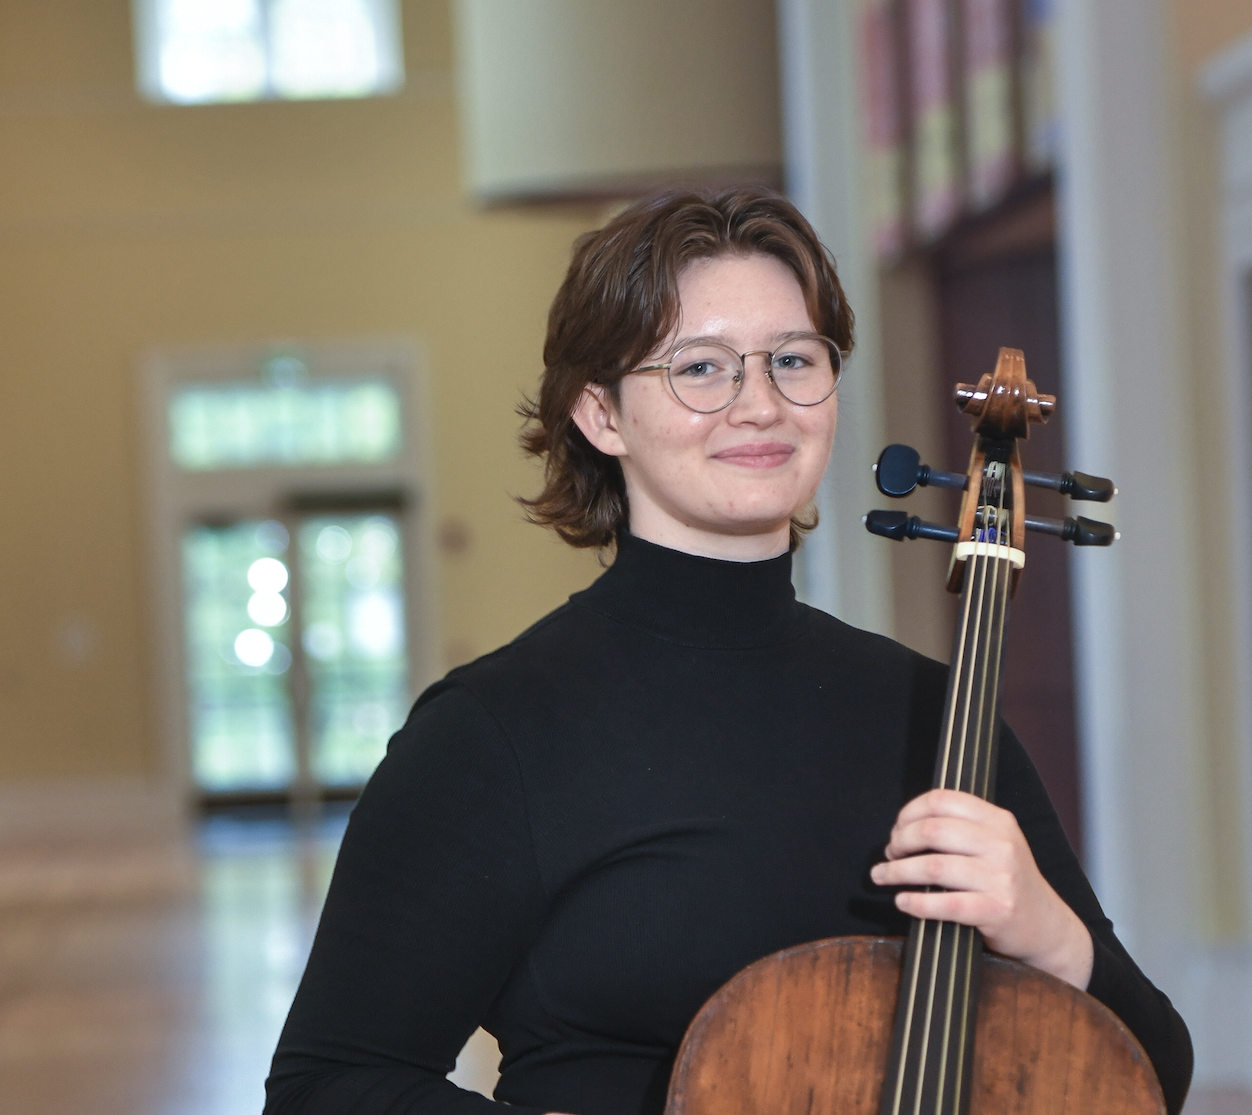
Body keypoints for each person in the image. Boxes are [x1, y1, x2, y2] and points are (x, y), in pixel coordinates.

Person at [264, 186, 1192, 1115]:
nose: (759, 404)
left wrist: (1047, 931)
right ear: (600, 414)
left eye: (792, 359)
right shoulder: (494, 732)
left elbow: (1151, 1072)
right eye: (700, 368)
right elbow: (324, 1087)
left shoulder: (939, 715)